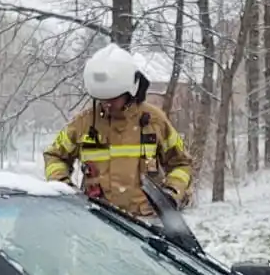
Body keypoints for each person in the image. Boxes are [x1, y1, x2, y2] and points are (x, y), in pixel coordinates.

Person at [44, 44, 193, 218]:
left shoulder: (154, 121)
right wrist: (65, 187)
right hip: (98, 221)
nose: (107, 104)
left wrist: (171, 193)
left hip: (146, 223)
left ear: (130, 91)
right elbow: (54, 156)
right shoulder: (83, 123)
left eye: (114, 99)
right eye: (102, 99)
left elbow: (182, 163)